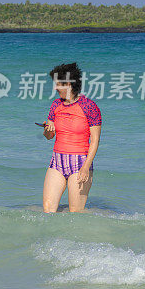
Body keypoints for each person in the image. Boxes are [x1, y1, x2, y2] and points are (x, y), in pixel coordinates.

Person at [41, 62, 102, 213]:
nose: (55, 88)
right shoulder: (55, 105)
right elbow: (49, 136)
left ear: (68, 84)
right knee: (48, 209)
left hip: (80, 162)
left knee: (75, 213)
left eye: (58, 84)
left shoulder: (90, 107)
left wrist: (86, 167)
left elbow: (95, 140)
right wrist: (48, 130)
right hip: (57, 161)